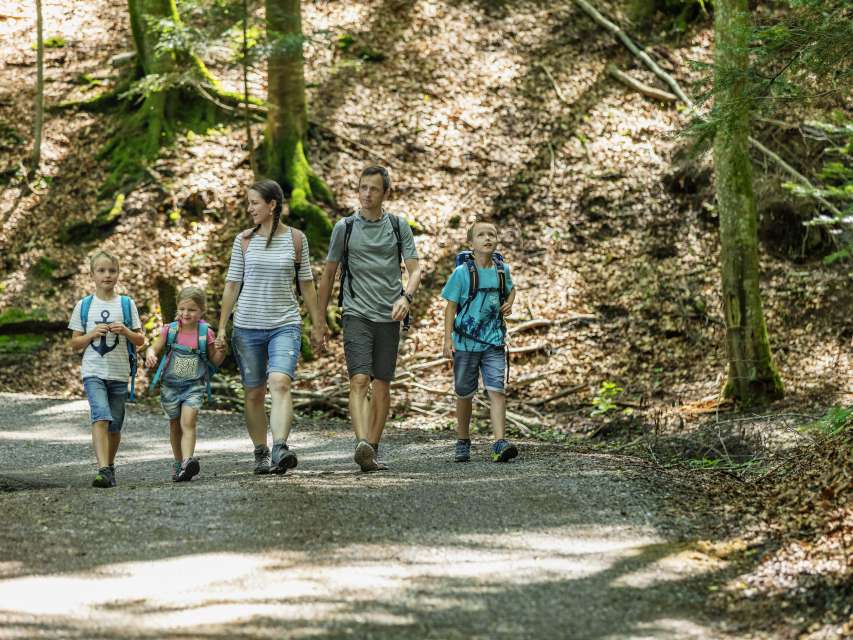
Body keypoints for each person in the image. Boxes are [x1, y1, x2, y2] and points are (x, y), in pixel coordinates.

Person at [216, 179, 324, 475]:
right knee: (253, 392)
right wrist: (222, 327)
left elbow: (307, 285)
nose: (249, 208)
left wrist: (317, 325)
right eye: (248, 203)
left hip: (285, 324)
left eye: (254, 203)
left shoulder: (297, 239)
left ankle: (280, 447)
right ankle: (261, 451)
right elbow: (232, 284)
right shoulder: (244, 240)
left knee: (280, 383)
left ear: (272, 205)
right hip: (247, 327)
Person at [316, 166, 421, 472]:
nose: (367, 193)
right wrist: (320, 321)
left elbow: (414, 270)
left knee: (383, 385)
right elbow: (328, 276)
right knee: (360, 379)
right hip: (356, 313)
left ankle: (372, 448)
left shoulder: (398, 226)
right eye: (363, 187)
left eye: (374, 189)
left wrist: (406, 298)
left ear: (386, 192)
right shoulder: (344, 227)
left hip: (389, 314)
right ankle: (361, 442)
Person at [441, 220, 519, 463]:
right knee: (464, 393)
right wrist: (447, 341)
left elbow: (511, 289)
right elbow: (450, 307)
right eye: (481, 235)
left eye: (492, 234)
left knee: (497, 390)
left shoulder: (501, 270)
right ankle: (463, 440)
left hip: (494, 342)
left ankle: (499, 442)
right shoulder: (462, 273)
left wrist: (510, 302)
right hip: (465, 343)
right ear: (471, 243)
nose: (487, 238)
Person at [68, 250, 144, 488]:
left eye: (112, 271)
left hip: (119, 372)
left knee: (115, 425)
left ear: (118, 274)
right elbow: (74, 343)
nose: (107, 275)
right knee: (100, 416)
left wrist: (126, 332)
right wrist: (92, 334)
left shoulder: (126, 304)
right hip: (94, 371)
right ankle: (102, 468)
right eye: (101, 271)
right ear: (92, 275)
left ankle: (109, 467)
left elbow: (140, 340)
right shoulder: (84, 306)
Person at [145, 287, 226, 482]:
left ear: (201, 311)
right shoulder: (170, 330)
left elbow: (214, 361)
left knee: (188, 422)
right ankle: (178, 462)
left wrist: (222, 350)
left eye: (191, 310)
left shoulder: (205, 333)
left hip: (194, 386)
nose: (185, 314)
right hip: (170, 386)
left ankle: (188, 462)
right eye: (182, 309)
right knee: (174, 425)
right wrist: (150, 354)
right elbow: (154, 347)